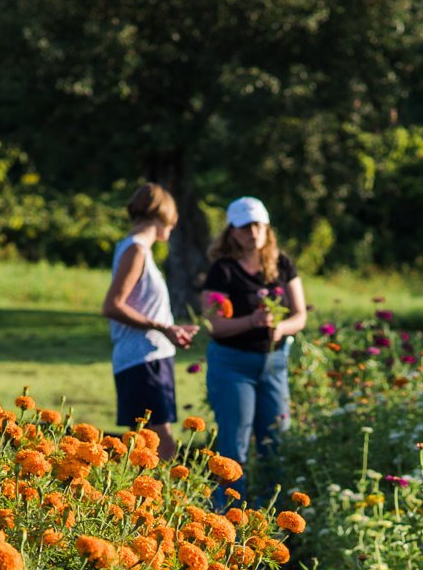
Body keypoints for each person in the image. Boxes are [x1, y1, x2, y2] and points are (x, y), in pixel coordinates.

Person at [202, 196, 306, 484]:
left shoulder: (282, 264)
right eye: (245, 227)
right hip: (233, 364)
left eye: (258, 225)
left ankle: (271, 517)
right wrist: (251, 321)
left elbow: (300, 316)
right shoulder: (222, 270)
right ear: (232, 231)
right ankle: (228, 516)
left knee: (275, 444)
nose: (253, 232)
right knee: (234, 449)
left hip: (273, 363)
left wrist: (282, 328)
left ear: (267, 228)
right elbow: (214, 324)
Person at [102, 182, 197, 455]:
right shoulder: (136, 250)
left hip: (149, 359)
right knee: (161, 448)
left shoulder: (136, 249)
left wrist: (171, 328)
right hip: (143, 360)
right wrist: (162, 328)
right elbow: (112, 305)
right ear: (162, 215)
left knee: (142, 447)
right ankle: (167, 497)